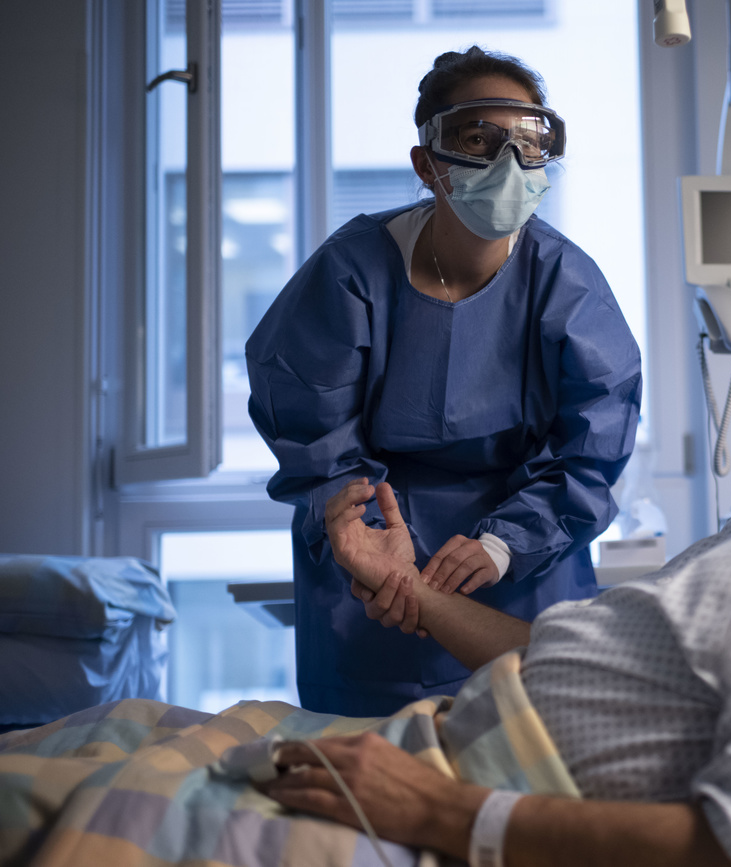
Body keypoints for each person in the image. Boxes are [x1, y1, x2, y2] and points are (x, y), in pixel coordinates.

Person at [258, 202, 731, 866]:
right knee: (151, 730)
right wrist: (414, 591)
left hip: (451, 803)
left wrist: (434, 810)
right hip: (443, 753)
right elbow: (587, 666)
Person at [245, 47, 642, 716]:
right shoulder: (351, 272)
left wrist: (503, 542)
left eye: (528, 142)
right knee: (366, 782)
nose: (508, 162)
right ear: (427, 164)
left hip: (525, 571)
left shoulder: (566, 283)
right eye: (478, 140)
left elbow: (593, 445)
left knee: (531, 759)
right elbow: (316, 439)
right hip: (372, 582)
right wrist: (371, 545)